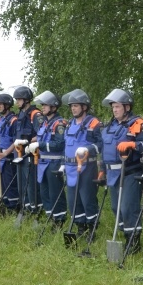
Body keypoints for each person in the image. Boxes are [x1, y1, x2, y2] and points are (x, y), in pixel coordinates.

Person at [101, 88, 143, 253]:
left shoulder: (137, 124)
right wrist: (101, 170)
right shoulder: (110, 126)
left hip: (130, 172)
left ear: (127, 107)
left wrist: (132, 145)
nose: (114, 110)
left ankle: (134, 242)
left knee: (128, 208)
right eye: (113, 107)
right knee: (116, 208)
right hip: (112, 173)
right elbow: (104, 149)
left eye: (118, 107)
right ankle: (126, 235)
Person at [62, 89, 103, 242]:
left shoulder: (94, 123)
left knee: (88, 199)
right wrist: (62, 164)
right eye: (71, 106)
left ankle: (92, 229)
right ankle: (80, 227)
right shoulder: (69, 124)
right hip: (70, 168)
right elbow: (65, 145)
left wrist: (89, 149)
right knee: (73, 200)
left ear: (84, 107)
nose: (73, 108)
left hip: (87, 167)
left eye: (76, 106)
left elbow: (101, 144)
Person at [27, 91, 68, 228]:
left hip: (54, 163)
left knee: (56, 193)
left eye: (45, 105)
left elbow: (59, 144)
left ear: (54, 107)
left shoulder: (59, 124)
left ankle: (60, 220)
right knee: (45, 193)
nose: (42, 107)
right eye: (42, 105)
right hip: (42, 164)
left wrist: (40, 144)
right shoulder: (45, 124)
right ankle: (51, 218)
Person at [12, 86, 45, 217]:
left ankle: (36, 210)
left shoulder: (35, 114)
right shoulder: (20, 114)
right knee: (21, 184)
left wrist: (30, 142)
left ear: (26, 100)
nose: (17, 102)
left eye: (18, 100)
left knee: (32, 184)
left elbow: (42, 133)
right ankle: (25, 209)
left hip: (31, 154)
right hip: (20, 154)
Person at [0, 92, 20, 213]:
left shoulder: (14, 121)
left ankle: (13, 209)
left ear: (7, 105)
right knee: (3, 186)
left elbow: (16, 142)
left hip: (9, 157)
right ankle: (5, 206)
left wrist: (5, 153)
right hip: (0, 156)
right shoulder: (0, 120)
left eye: (0, 104)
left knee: (11, 185)